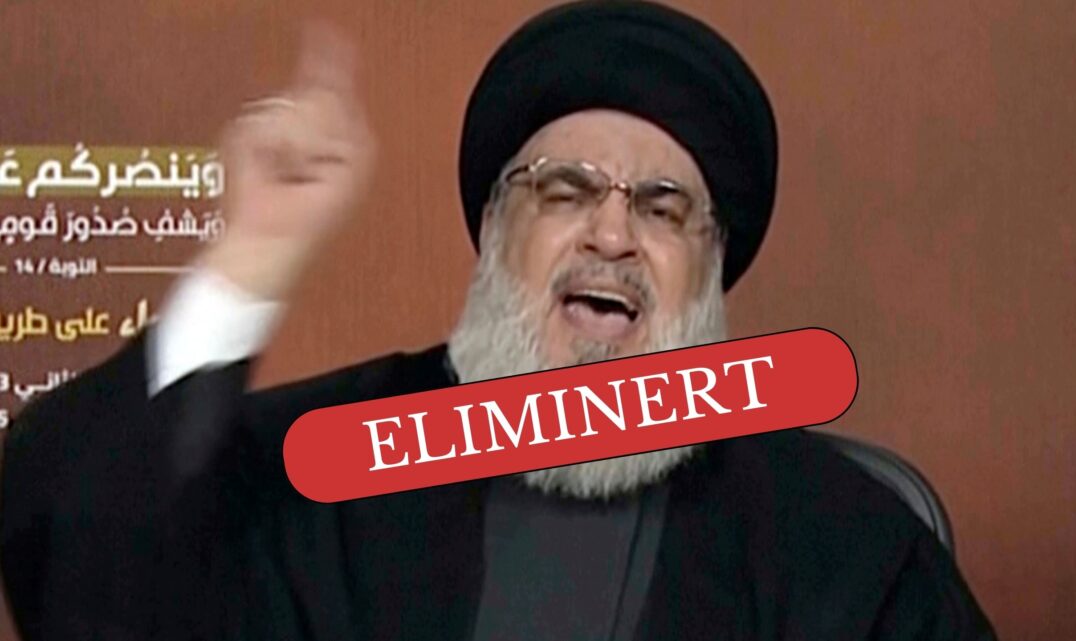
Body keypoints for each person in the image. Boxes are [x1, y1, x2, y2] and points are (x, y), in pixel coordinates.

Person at [0, 2, 997, 640]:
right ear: (491, 231)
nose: (613, 232)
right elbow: (76, 550)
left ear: (710, 267)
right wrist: (249, 257)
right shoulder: (318, 470)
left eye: (663, 210)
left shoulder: (842, 543)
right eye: (565, 190)